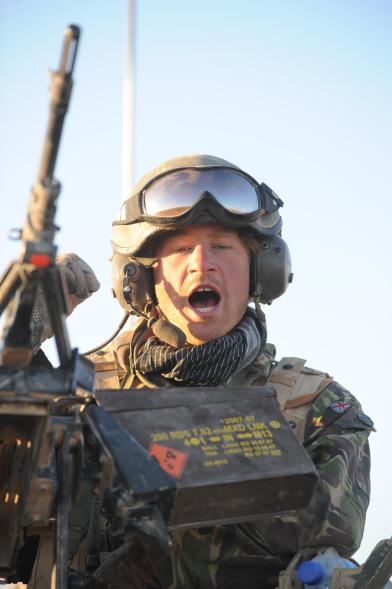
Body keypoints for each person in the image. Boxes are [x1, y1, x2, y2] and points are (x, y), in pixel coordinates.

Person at [37, 154, 373, 588]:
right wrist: (18, 348)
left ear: (262, 271)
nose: (201, 262)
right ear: (139, 278)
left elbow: (331, 527)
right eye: (179, 248)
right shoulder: (79, 395)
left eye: (222, 245)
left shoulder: (318, 406)